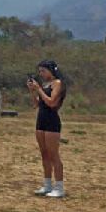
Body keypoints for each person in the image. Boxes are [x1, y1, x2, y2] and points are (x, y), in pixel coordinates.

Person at [28, 60, 66, 198]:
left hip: (52, 121)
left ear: (51, 70)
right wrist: (33, 91)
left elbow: (51, 102)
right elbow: (37, 104)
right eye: (40, 72)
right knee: (44, 154)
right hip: (41, 120)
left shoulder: (58, 84)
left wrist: (39, 89)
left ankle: (59, 187)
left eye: (43, 71)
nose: (41, 74)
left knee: (53, 154)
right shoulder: (44, 85)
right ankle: (47, 184)